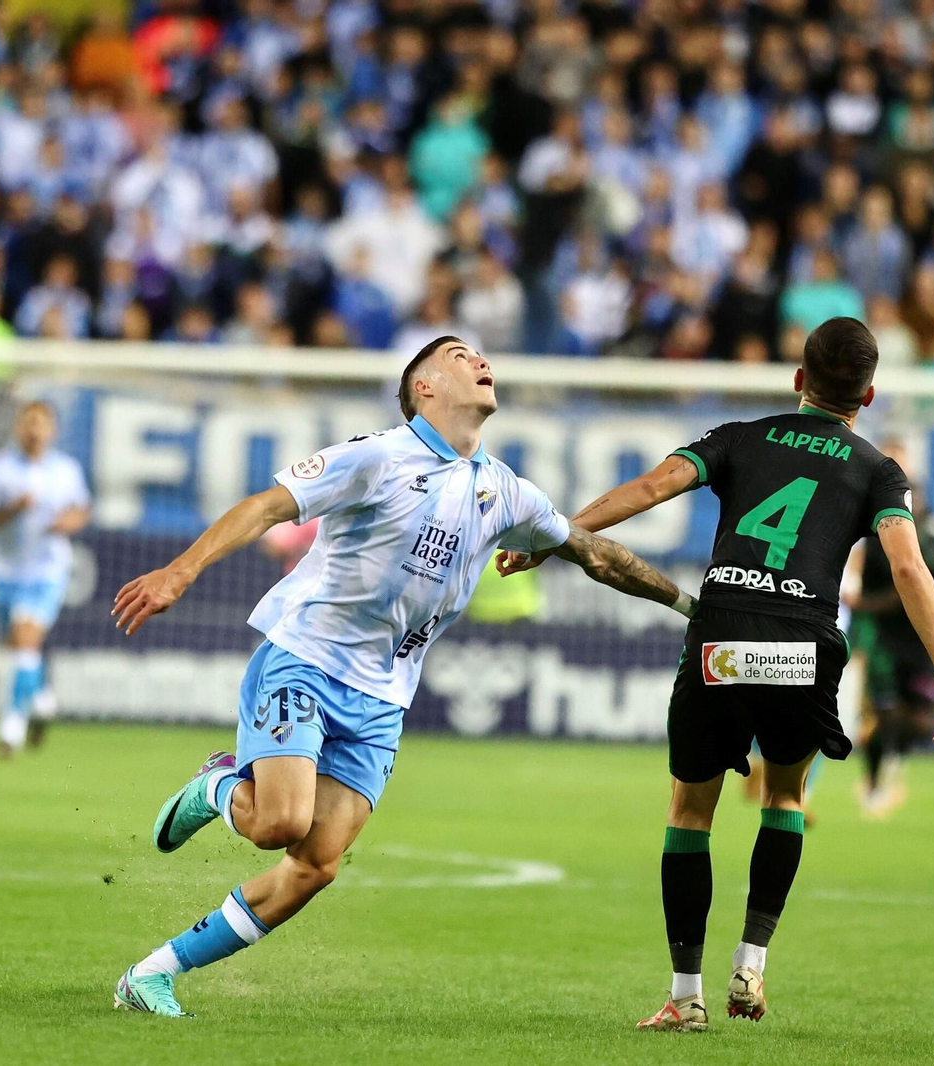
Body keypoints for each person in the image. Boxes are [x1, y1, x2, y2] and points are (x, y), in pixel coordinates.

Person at [110, 336, 697, 1018]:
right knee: (279, 824)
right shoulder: (378, 457)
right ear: (425, 387)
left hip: (383, 697)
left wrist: (689, 607)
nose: (480, 361)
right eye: (459, 356)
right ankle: (217, 784)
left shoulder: (506, 492)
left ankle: (151, 975)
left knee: (315, 864)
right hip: (306, 658)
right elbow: (267, 507)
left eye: (480, 355)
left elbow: (598, 555)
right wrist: (179, 570)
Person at [499, 317, 934, 1031]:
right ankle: (751, 963)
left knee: (691, 811)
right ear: (868, 396)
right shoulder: (879, 470)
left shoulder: (741, 436)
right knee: (785, 795)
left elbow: (652, 486)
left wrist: (555, 536)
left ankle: (685, 995)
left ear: (799, 379)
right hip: (805, 646)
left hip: (720, 636)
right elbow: (908, 567)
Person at [0, 401, 91, 758]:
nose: (34, 430)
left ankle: (12, 725)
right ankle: (42, 700)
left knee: (24, 640)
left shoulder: (66, 470)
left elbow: (81, 509)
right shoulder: (0, 470)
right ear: (18, 427)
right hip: (4, 574)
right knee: (20, 647)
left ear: (52, 430)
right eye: (28, 422)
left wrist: (68, 523)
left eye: (41, 423)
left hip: (47, 573)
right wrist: (12, 510)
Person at [845, 446, 934, 817]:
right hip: (884, 641)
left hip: (921, 641)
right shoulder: (877, 537)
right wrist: (861, 615)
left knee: (923, 722)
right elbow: (872, 582)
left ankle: (891, 761)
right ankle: (875, 781)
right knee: (887, 711)